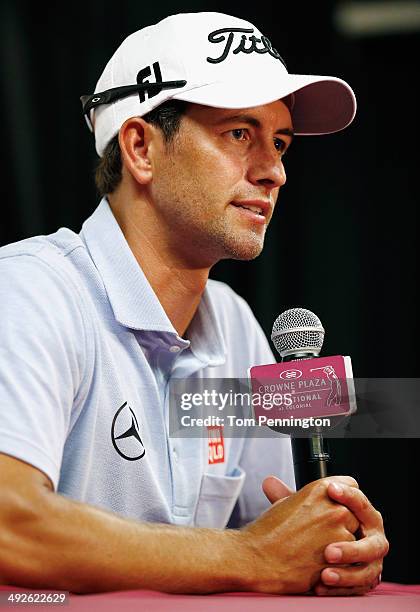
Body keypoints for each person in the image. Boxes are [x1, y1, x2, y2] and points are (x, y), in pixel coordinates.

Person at [0, 11, 388, 596]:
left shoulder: (235, 323)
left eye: (280, 143)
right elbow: (9, 526)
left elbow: (266, 547)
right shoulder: (31, 291)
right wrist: (249, 554)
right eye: (240, 134)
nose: (275, 171)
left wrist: (326, 552)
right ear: (140, 149)